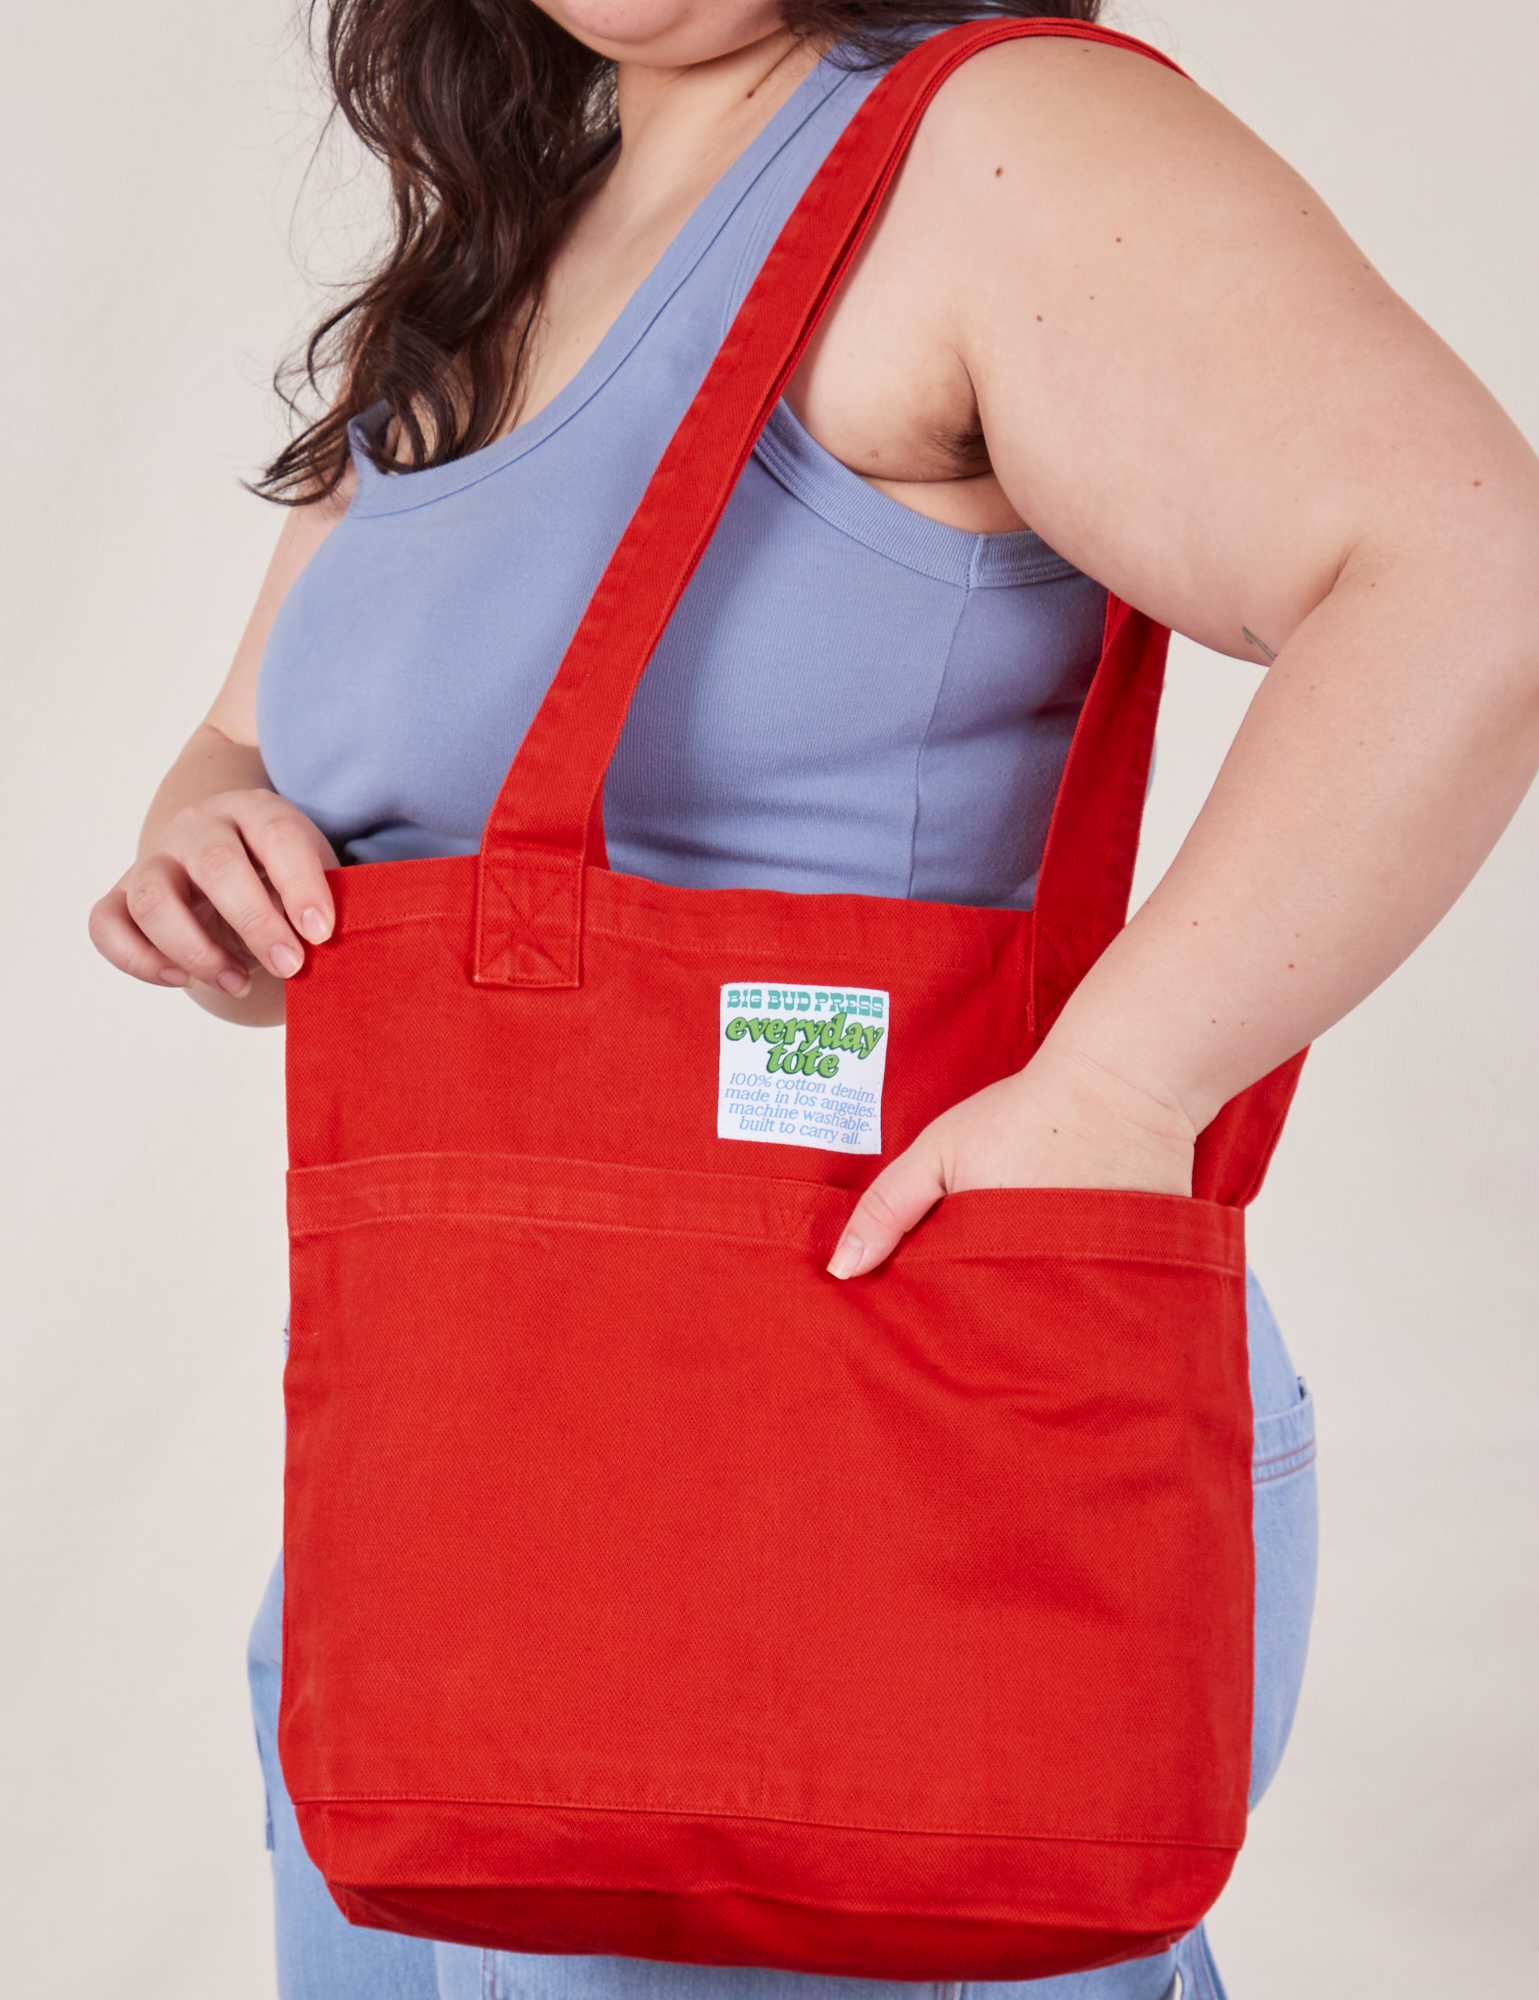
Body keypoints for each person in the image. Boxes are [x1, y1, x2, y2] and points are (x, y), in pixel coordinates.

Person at [88, 3, 1539, 1997]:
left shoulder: (999, 141)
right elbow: (259, 737)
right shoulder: (505, 223)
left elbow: (1470, 573)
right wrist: (213, 842)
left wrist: (1118, 1088)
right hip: (458, 1469)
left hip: (863, 1423)